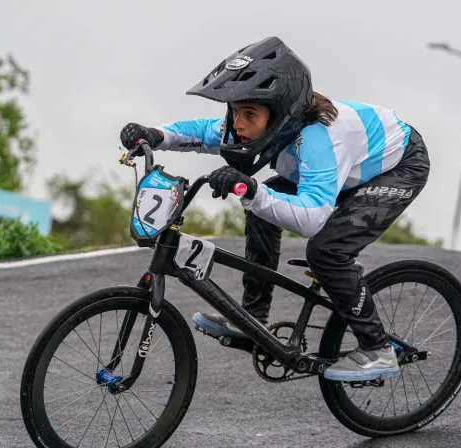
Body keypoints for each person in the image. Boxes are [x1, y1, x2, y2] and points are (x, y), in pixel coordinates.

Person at [120, 36, 430, 382]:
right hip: (342, 170)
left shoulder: (319, 140)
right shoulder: (262, 123)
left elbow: (312, 218)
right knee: (262, 206)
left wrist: (251, 190)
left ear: (280, 113)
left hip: (397, 167)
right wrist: (155, 135)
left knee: (327, 251)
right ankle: (253, 318)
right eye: (235, 111)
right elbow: (206, 132)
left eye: (249, 114)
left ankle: (377, 348)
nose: (238, 123)